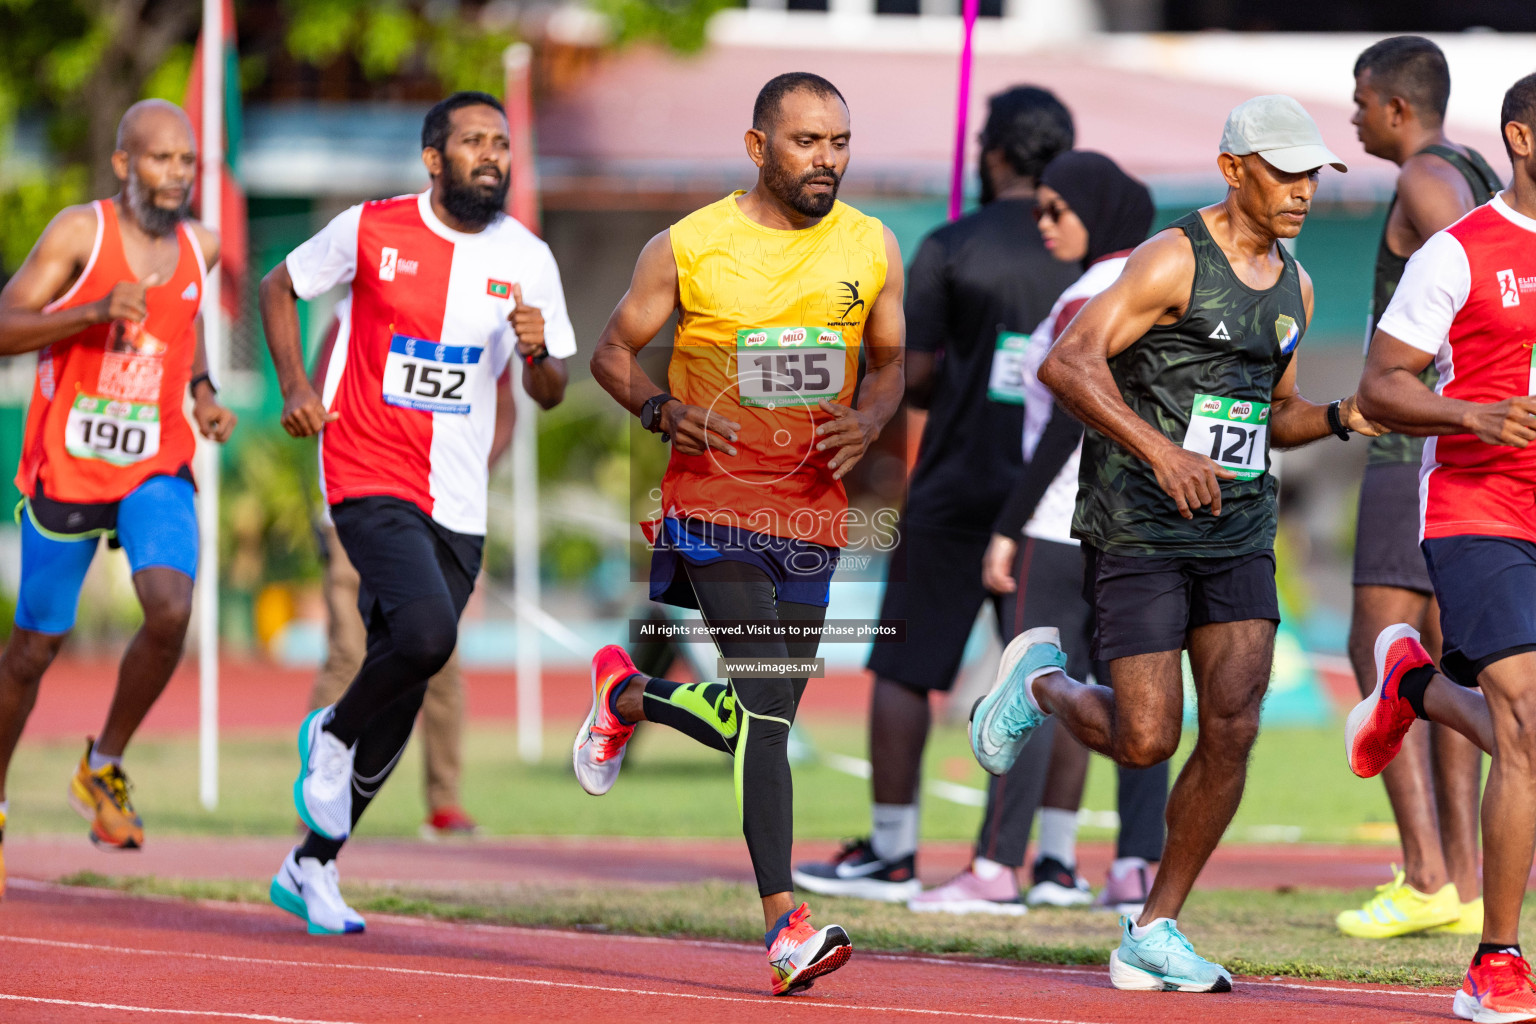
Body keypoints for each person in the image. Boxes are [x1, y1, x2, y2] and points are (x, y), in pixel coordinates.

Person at [968, 95, 1378, 992]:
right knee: (1149, 739)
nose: (1304, 189)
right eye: (1285, 171)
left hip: (1237, 528)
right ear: (1235, 170)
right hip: (1140, 524)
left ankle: (1155, 928)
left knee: (1232, 724)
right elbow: (1067, 362)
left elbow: (1275, 417)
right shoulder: (1170, 259)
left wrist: (1346, 415)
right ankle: (1038, 679)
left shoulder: (1297, 285)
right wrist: (1162, 451)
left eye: (1313, 172)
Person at [578, 72, 905, 996]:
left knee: (767, 713)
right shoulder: (687, 246)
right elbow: (612, 352)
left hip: (813, 512)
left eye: (840, 142)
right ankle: (785, 925)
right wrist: (662, 410)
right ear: (759, 147)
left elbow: (887, 363)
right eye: (807, 142)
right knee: (764, 701)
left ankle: (628, 695)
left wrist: (871, 420)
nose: (827, 160)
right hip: (712, 502)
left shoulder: (872, 247)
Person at [259, 90, 572, 934]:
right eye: (473, 141)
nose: (492, 155)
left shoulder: (529, 258)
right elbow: (277, 286)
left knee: (405, 684)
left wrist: (538, 349)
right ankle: (330, 731)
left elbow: (548, 393)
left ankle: (311, 865)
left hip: (458, 497)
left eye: (501, 142)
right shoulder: (371, 227)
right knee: (430, 637)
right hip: (364, 468)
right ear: (435, 159)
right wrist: (294, 386)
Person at [790, 85, 1080, 904]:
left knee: (908, 667)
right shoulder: (1091, 256)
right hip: (1054, 495)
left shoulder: (952, 245)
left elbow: (908, 380)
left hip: (957, 484)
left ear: (991, 154)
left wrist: (949, 361)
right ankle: (1054, 861)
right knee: (1056, 672)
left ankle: (890, 851)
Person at [910, 151, 1168, 917]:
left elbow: (1064, 420)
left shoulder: (1087, 297)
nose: (1043, 222)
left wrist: (1008, 525)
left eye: (1058, 209)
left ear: (1099, 210)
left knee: (1030, 684)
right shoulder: (1161, 291)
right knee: (1138, 696)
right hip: (1137, 527)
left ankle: (995, 868)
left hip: (1060, 521)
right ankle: (1133, 867)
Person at [0, 100, 234, 896]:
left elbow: (187, 321)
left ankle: (102, 767)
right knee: (34, 651)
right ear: (124, 164)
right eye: (161, 159)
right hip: (67, 468)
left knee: (170, 609)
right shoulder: (80, 233)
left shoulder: (200, 246)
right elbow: (5, 324)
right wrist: (94, 309)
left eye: (187, 162)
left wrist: (201, 392)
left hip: (152, 464)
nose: (176, 175)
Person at [1348, 71, 1536, 1024]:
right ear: (1523, 138)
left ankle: (1411, 687)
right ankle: (1496, 961)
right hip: (1479, 505)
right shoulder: (1460, 251)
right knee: (1528, 718)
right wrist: (1476, 416)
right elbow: (1382, 386)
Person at [1337, 35, 1500, 941]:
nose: (1353, 117)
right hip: (1458, 446)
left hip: (1414, 448)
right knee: (1440, 661)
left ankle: (1427, 872)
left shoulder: (1425, 180)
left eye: (1360, 102)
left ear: (1397, 108)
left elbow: (1463, 271)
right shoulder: (1474, 165)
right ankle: (1458, 879)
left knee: (1383, 649)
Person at [304, 319, 518, 839]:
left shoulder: (480, 319)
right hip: (364, 513)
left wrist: (465, 474)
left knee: (437, 654)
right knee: (349, 654)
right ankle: (317, 792)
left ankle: (444, 803)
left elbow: (507, 407)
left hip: (442, 520)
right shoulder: (354, 314)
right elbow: (312, 401)